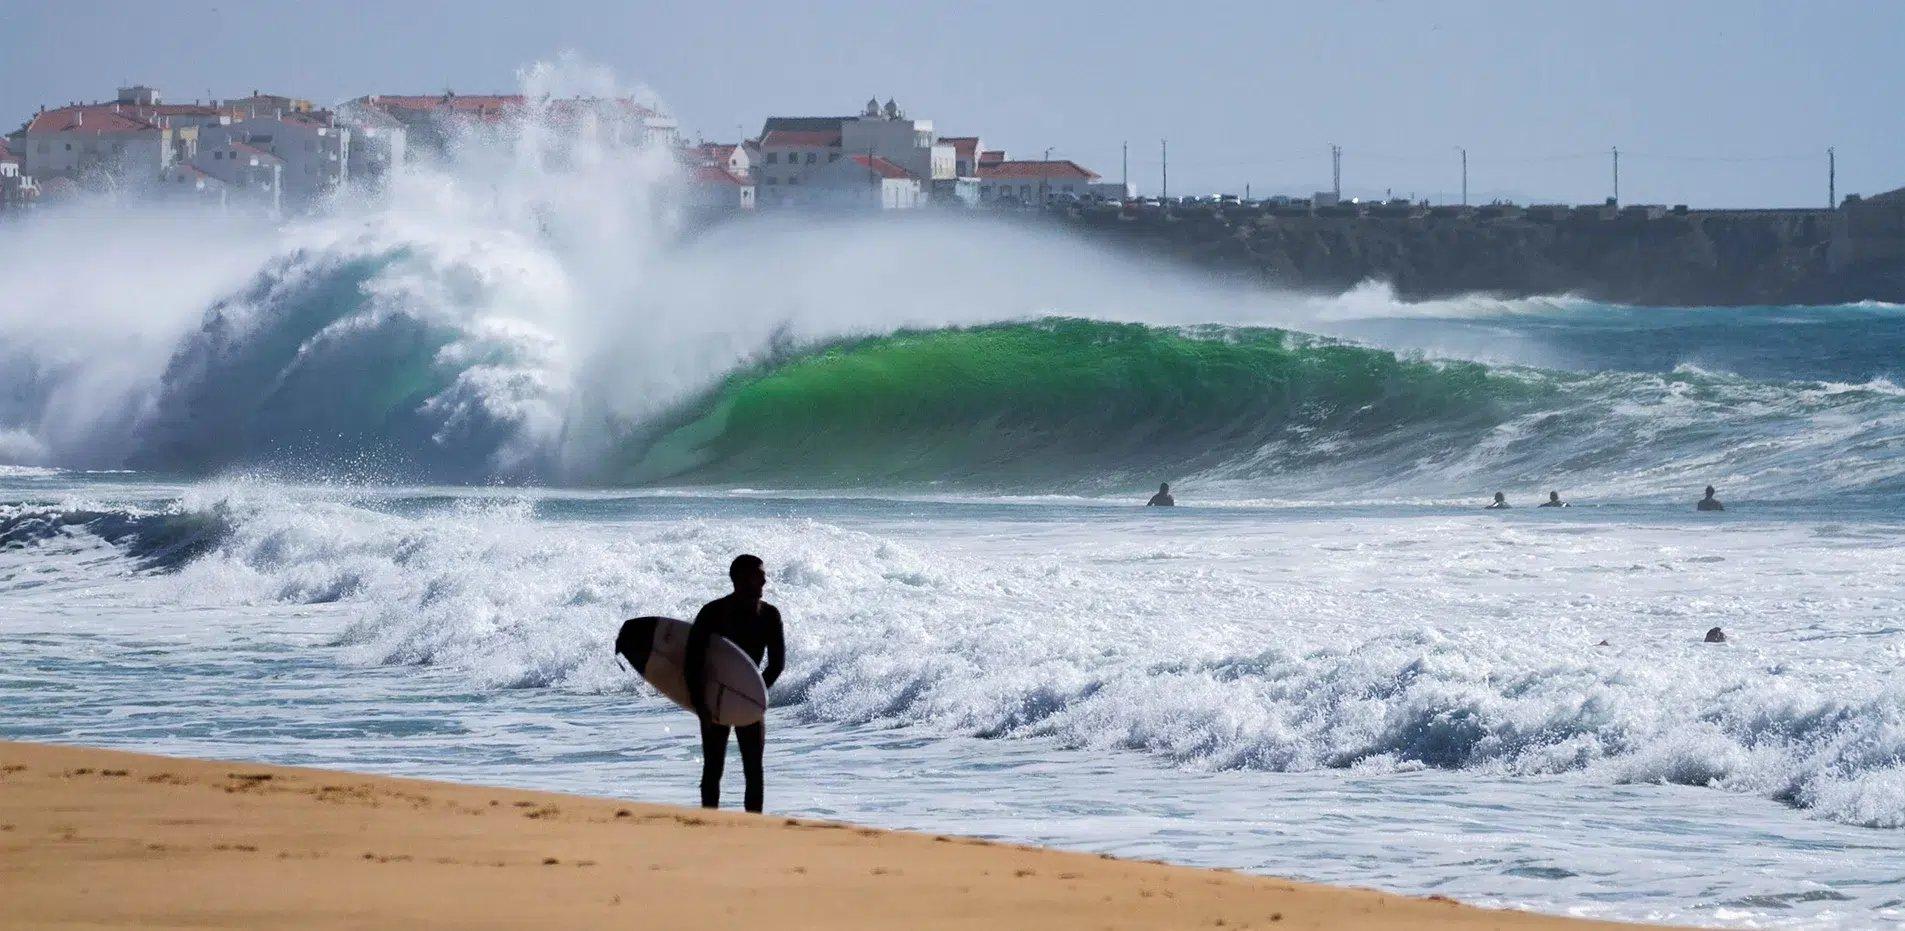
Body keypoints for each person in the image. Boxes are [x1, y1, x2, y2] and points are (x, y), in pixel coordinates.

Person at [684, 554, 785, 813]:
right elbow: (692, 661)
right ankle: (708, 826)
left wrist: (753, 694)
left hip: (748, 700)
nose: (764, 579)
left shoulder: (770, 615)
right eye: (758, 574)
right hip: (714, 697)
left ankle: (752, 830)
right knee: (713, 766)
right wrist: (700, 702)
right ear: (741, 579)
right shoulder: (713, 612)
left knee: (753, 770)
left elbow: (777, 664)